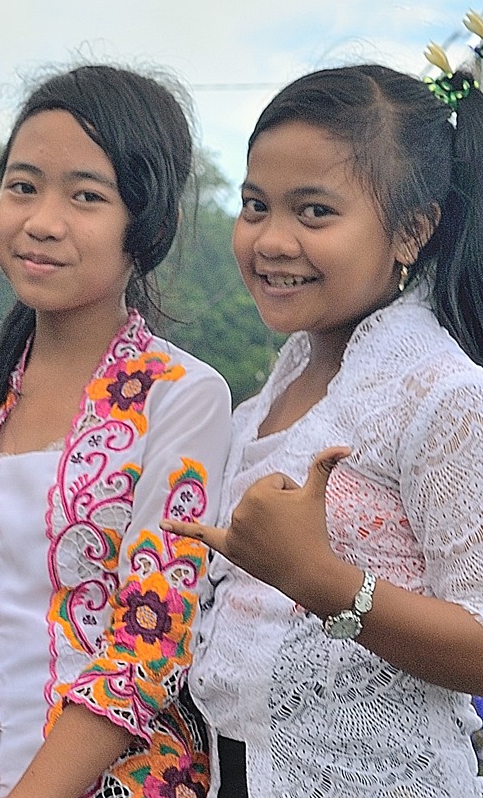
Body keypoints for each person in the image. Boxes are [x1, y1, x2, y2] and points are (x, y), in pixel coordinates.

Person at [163, 57, 483, 796]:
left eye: (314, 212)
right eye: (255, 206)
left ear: (411, 233)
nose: (271, 240)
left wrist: (324, 580)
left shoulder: (443, 396)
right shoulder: (265, 400)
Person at [0, 64, 232, 798]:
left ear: (147, 223)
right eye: (22, 185)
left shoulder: (181, 396)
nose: (43, 220)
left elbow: (148, 644)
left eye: (85, 196)